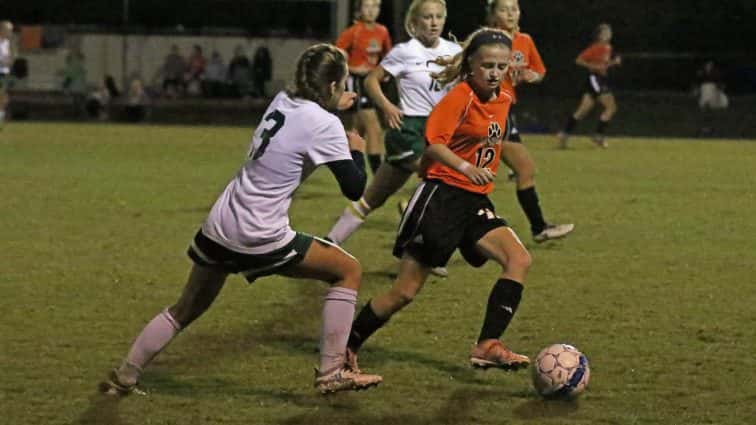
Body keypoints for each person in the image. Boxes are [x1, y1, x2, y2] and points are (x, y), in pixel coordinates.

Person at [99, 43, 383, 396]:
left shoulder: (281, 100)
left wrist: (331, 108)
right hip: (259, 233)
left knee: (186, 307)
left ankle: (125, 375)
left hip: (221, 223)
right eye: (342, 85)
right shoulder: (325, 124)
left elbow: (304, 123)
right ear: (331, 87)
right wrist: (354, 146)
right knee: (348, 271)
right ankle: (330, 372)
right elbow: (355, 187)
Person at [344, 28, 532, 375]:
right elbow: (432, 144)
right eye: (487, 65)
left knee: (518, 259)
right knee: (405, 291)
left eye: (501, 66)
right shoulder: (459, 96)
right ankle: (347, 346)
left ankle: (487, 344)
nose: (494, 72)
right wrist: (465, 166)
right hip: (440, 198)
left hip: (474, 200)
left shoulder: (504, 94)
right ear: (470, 66)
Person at [327, 0, 461, 277]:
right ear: (414, 23)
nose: (433, 22)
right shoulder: (404, 52)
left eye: (438, 17)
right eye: (427, 17)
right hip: (409, 130)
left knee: (370, 200)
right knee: (444, 180)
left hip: (438, 131)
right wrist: (387, 106)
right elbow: (371, 81)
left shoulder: (455, 51)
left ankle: (328, 245)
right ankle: (423, 242)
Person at [487, 0, 574, 243]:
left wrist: (530, 75)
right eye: (504, 9)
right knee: (479, 174)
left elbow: (539, 71)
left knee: (520, 170)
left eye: (514, 8)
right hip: (487, 111)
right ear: (493, 14)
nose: (510, 13)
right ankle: (539, 227)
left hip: (505, 111)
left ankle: (539, 227)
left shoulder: (524, 40)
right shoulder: (485, 40)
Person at [336, 0, 392, 174]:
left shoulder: (382, 31)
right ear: (359, 9)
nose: (371, 10)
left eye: (375, 6)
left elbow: (388, 56)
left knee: (358, 130)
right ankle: (378, 175)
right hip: (358, 83)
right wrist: (352, 68)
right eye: (367, 6)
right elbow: (335, 56)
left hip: (373, 84)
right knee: (373, 126)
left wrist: (386, 71)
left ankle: (347, 166)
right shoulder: (352, 32)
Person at [557, 23, 621, 148]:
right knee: (611, 107)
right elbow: (579, 60)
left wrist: (614, 62)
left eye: (609, 32)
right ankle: (598, 135)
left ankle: (564, 134)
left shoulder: (608, 48)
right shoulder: (596, 47)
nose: (609, 34)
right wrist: (592, 66)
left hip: (599, 79)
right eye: (606, 32)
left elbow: (604, 65)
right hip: (595, 79)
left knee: (582, 110)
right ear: (600, 35)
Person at [0, 20, 14, 128]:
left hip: (5, 72)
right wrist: (4, 61)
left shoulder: (7, 43)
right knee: (3, 96)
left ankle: (1, 116)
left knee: (4, 96)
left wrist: (9, 61)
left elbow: (8, 57)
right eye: (8, 30)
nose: (10, 32)